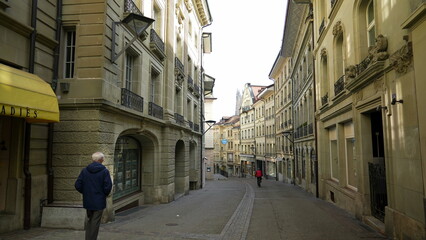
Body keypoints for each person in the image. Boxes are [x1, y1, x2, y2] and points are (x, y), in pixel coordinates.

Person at [75, 152, 112, 240]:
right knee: (95, 223)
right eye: (103, 159)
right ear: (101, 160)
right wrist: (104, 194)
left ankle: (88, 238)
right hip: (99, 201)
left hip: (88, 200)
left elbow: (77, 185)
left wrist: (85, 192)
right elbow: (108, 186)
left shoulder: (85, 170)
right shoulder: (104, 171)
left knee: (90, 221)